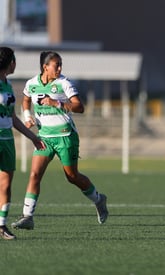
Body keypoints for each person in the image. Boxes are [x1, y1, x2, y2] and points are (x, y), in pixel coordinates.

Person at [11, 51, 108, 230]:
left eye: (61, 64)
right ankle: (28, 217)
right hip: (44, 138)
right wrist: (27, 116)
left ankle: (98, 199)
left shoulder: (64, 83)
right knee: (34, 175)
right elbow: (25, 100)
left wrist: (57, 103)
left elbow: (80, 107)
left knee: (72, 176)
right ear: (45, 67)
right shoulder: (31, 84)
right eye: (57, 65)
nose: (60, 68)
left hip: (65, 136)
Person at [0, 47, 45, 240]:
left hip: (8, 140)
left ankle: (1, 226)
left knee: (5, 185)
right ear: (10, 62)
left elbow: (12, 117)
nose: (16, 63)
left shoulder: (8, 85)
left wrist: (33, 137)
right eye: (15, 60)